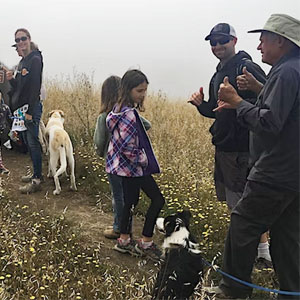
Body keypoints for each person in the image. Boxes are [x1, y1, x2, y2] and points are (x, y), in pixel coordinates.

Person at [211, 14, 300, 299]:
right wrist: (258, 89)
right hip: (293, 173)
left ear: (281, 42)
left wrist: (237, 102)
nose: (259, 45)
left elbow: (270, 123)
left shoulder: (286, 72)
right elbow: (285, 111)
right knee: (287, 238)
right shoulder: (292, 70)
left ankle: (233, 290)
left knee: (242, 225)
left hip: (274, 170)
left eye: (264, 39)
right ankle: (291, 292)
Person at [188, 23, 271, 264]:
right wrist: (201, 105)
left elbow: (272, 101)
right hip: (224, 147)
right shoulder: (218, 73)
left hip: (242, 148)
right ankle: (262, 252)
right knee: (244, 201)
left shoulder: (246, 67)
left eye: (222, 40)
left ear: (234, 40)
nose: (217, 46)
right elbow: (218, 110)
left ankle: (247, 257)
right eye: (212, 42)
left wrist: (254, 89)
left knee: (242, 204)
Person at [106, 69, 165, 261]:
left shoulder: (116, 109)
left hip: (120, 167)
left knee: (130, 202)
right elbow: (128, 147)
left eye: (145, 91)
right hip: (134, 168)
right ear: (128, 89)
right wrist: (145, 161)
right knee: (158, 200)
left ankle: (124, 240)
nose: (143, 95)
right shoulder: (130, 114)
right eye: (139, 91)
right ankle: (146, 242)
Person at [94, 75, 152, 239]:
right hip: (130, 164)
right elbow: (147, 125)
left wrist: (101, 153)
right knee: (129, 197)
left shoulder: (105, 117)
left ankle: (118, 227)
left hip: (113, 163)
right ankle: (127, 228)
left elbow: (99, 141)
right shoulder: (128, 113)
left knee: (117, 197)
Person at [6, 28, 44, 193]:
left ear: (29, 39)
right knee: (29, 142)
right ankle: (36, 173)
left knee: (33, 143)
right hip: (23, 108)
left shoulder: (35, 59)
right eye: (18, 41)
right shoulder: (23, 62)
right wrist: (11, 80)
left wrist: (30, 110)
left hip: (31, 107)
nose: (20, 43)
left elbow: (35, 87)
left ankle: (37, 180)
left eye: (23, 39)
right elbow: (20, 88)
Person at [0, 94, 12, 174]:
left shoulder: (5, 108)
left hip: (2, 129)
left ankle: (0, 166)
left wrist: (13, 129)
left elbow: (10, 119)